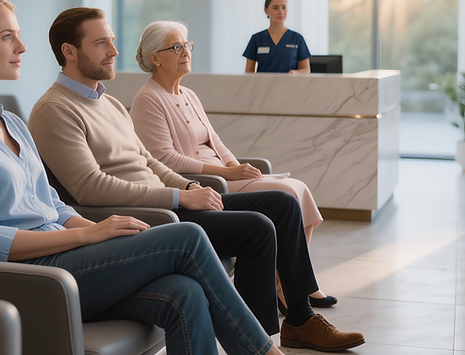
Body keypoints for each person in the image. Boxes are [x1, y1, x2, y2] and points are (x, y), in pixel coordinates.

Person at [0, 0, 297, 355]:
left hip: (59, 261)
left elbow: (50, 204)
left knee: (185, 292)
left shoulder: (11, 123)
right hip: (20, 277)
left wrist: (99, 230)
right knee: (187, 236)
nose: (22, 48)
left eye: (18, 37)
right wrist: (85, 236)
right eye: (7, 37)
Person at [28, 7, 364, 353]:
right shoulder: (55, 109)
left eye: (112, 41)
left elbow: (149, 162)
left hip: (168, 200)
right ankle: (265, 343)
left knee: (282, 203)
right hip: (147, 215)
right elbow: (90, 187)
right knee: (258, 229)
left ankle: (299, 317)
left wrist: (187, 187)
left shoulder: (110, 103)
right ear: (69, 51)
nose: (114, 51)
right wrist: (178, 199)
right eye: (102, 44)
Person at [130, 20, 335, 310]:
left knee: (296, 188)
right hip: (208, 182)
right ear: (155, 58)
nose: (186, 52)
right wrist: (227, 172)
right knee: (287, 195)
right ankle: (292, 288)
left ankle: (288, 285)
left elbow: (216, 141)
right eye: (176, 47)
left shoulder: (189, 94)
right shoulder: (148, 99)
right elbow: (165, 159)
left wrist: (237, 165)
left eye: (187, 45)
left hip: (226, 173)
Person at [243, 0, 310, 74]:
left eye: (284, 7)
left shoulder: (297, 39)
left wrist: (295, 73)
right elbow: (249, 73)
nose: (280, 12)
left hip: (290, 86)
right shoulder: (257, 39)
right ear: (266, 10)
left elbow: (306, 70)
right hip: (264, 86)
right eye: (275, 8)